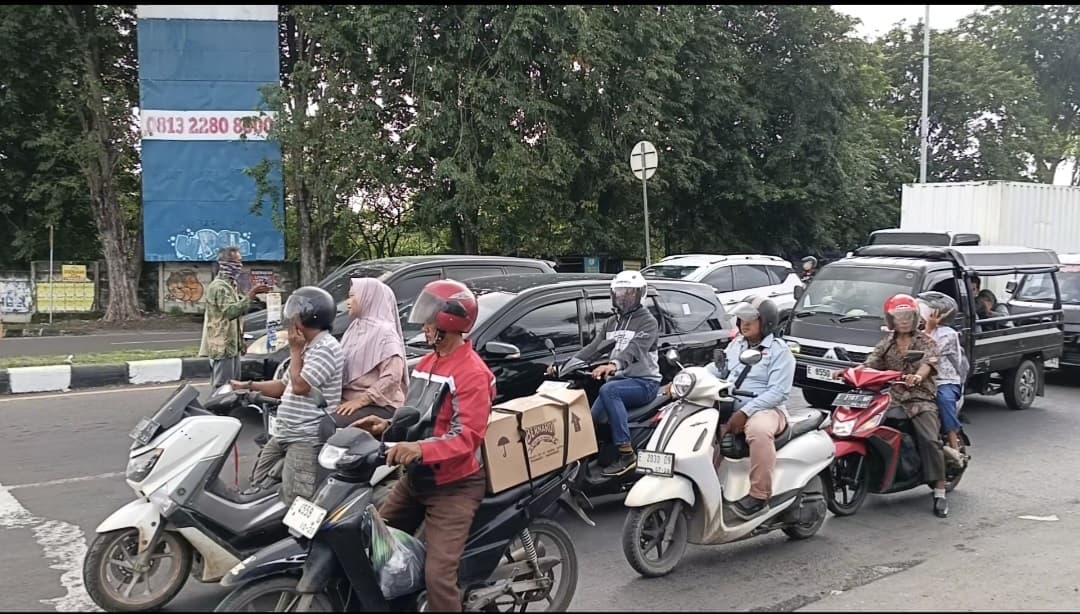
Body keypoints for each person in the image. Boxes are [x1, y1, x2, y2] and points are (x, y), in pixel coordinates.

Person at [352, 279, 494, 613]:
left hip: (454, 487)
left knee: (438, 576)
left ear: (449, 322)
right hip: (417, 479)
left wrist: (420, 449)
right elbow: (418, 417)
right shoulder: (429, 363)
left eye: (430, 320)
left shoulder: (472, 372)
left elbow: (467, 436)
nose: (424, 326)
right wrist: (386, 427)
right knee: (374, 546)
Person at [231, 286, 343, 506]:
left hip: (305, 436)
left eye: (295, 312)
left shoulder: (326, 348)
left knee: (295, 498)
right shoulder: (306, 346)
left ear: (308, 317)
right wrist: (248, 386)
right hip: (284, 431)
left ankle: (294, 537)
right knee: (258, 483)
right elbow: (284, 386)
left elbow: (301, 386)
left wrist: (294, 350)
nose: (290, 319)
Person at [862, 294, 949, 518]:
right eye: (898, 317)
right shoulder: (887, 342)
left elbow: (928, 363)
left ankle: (939, 491)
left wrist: (917, 377)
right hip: (893, 397)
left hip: (920, 398)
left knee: (930, 440)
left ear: (915, 317)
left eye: (907, 316)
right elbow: (870, 362)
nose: (902, 321)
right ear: (891, 319)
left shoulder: (925, 341)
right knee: (867, 428)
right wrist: (849, 372)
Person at [709, 296, 796, 520]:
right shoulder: (736, 344)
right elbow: (719, 370)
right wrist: (688, 377)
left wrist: (746, 412)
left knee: (758, 431)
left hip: (767, 410)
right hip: (732, 405)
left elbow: (778, 392)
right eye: (741, 319)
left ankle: (759, 495)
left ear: (766, 322)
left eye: (750, 319)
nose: (743, 324)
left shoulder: (779, 351)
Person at [571, 270, 661, 478]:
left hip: (644, 382)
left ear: (640, 295)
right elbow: (593, 348)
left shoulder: (648, 322)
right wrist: (565, 365)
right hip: (620, 382)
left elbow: (635, 349)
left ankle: (627, 454)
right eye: (620, 292)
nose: (623, 296)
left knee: (608, 389)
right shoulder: (612, 322)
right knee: (590, 418)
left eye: (629, 292)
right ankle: (584, 463)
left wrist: (613, 365)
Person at [333, 278, 409, 429]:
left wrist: (361, 401)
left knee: (330, 424)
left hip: (380, 404)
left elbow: (392, 377)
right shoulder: (354, 327)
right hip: (350, 400)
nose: (348, 302)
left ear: (368, 298)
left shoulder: (385, 333)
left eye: (353, 296)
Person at [199, 247, 270, 388]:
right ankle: (216, 409)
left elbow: (237, 317)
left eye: (240, 262)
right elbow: (230, 312)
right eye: (235, 262)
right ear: (223, 264)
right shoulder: (219, 287)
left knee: (234, 384)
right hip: (222, 346)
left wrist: (240, 340)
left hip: (232, 345)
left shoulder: (231, 285)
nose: (239, 266)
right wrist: (251, 295)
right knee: (222, 386)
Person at [917, 291, 967, 468]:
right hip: (920, 380)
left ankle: (954, 448)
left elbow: (930, 351)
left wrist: (929, 329)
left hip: (945, 382)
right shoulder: (920, 330)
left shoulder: (948, 334)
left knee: (944, 399)